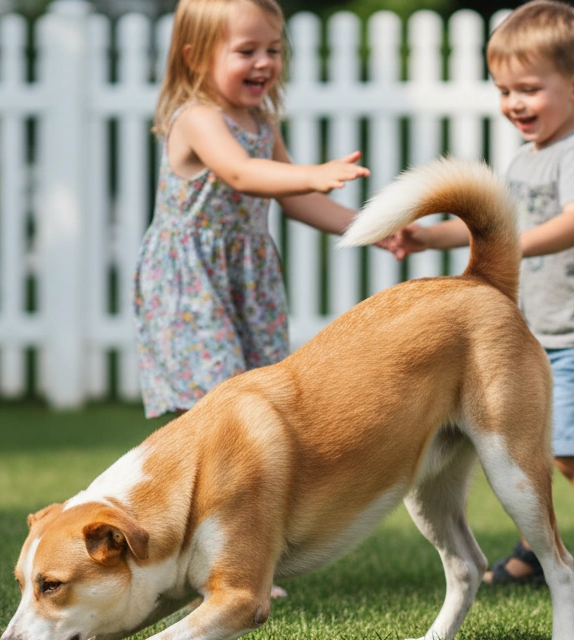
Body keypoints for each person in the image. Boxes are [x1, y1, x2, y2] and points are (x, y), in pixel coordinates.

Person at [396, 0, 574, 590]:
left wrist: (516, 244)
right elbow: (490, 229)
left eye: (529, 89)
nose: (515, 103)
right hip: (534, 339)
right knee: (524, 450)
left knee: (569, 452)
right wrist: (427, 236)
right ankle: (531, 546)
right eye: (504, 90)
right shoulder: (522, 160)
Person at [134, 0, 400, 420]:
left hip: (247, 278)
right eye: (246, 51)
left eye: (273, 50)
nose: (264, 63)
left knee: (257, 398)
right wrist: (311, 173)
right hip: (193, 282)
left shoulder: (261, 122)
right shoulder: (197, 117)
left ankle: (243, 485)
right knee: (217, 402)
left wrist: (369, 227)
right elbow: (240, 172)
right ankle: (202, 482)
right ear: (196, 56)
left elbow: (296, 200)